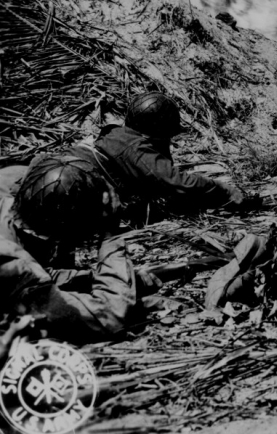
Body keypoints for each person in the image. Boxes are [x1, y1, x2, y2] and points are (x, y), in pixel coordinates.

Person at [0, 153, 137, 343]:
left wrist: (86, 278)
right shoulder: (12, 264)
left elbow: (40, 273)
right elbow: (109, 315)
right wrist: (110, 234)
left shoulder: (9, 190)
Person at [93, 92, 252, 221]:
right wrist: (224, 189)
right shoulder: (135, 148)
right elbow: (175, 180)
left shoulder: (118, 135)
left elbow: (154, 186)